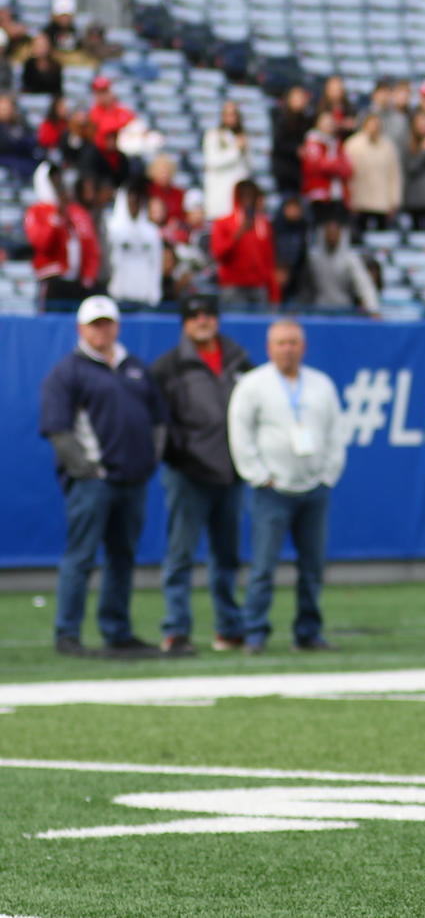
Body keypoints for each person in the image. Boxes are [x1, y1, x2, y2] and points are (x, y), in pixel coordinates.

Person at [40, 296, 166, 657]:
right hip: (94, 482)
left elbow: (158, 420)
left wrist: (147, 462)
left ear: (117, 325)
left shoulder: (135, 367)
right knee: (81, 556)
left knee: (122, 557)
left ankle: (117, 630)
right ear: (81, 329)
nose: (103, 330)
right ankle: (68, 633)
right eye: (95, 324)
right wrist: (87, 470)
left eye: (107, 322)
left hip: (133, 480)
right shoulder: (68, 372)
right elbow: (58, 430)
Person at [227, 320, 346, 652]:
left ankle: (308, 631)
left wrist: (328, 475)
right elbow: (240, 433)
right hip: (272, 489)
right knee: (263, 565)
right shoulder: (254, 385)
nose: (287, 349)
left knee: (312, 566)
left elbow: (337, 432)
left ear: (303, 347)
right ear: (269, 348)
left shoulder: (320, 385)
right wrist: (258, 475)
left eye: (293, 342)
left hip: (313, 487)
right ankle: (255, 631)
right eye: (281, 343)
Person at [151, 295, 254, 654]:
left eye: (208, 313)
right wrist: (178, 455)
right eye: (193, 314)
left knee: (226, 556)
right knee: (181, 555)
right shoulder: (169, 366)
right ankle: (176, 629)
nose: (202, 320)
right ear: (183, 322)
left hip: (231, 471)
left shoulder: (239, 359)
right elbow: (158, 421)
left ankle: (229, 627)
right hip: (189, 473)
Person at [27, 164, 102, 308]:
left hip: (77, 281)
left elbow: (90, 245)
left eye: (58, 179)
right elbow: (42, 243)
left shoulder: (77, 212)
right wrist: (56, 217)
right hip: (52, 279)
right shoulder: (36, 211)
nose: (56, 184)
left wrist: (89, 275)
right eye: (52, 179)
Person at [210, 179, 280, 308]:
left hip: (259, 287)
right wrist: (238, 233)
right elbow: (218, 253)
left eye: (252, 196)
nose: (248, 201)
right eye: (244, 196)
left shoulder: (263, 224)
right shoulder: (223, 223)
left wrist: (274, 294)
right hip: (233, 286)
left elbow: (269, 261)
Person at [299, 216, 381, 314]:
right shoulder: (313, 258)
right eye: (328, 232)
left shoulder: (350, 259)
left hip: (344, 310)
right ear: (323, 234)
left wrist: (372, 308)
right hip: (319, 310)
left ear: (341, 234)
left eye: (335, 233)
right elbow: (304, 288)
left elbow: (364, 285)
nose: (331, 236)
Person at [104, 177, 164, 308]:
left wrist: (155, 293)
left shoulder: (152, 231)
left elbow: (156, 263)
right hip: (118, 296)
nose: (134, 206)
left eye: (137, 202)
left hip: (145, 298)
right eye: (131, 202)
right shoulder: (111, 228)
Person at [342, 111, 402, 236]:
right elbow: (347, 175)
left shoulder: (388, 146)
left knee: (382, 238)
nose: (374, 127)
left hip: (382, 202)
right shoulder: (352, 145)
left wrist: (394, 200)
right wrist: (349, 199)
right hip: (359, 201)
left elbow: (394, 175)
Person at [300, 111, 354, 227]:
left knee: (339, 228)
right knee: (321, 228)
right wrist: (337, 165)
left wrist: (335, 165)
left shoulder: (336, 143)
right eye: (326, 123)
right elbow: (318, 166)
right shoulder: (313, 142)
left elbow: (348, 169)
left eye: (331, 123)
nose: (329, 125)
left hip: (337, 194)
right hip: (319, 194)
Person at [202, 99, 252, 221]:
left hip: (239, 194)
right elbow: (212, 161)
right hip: (220, 196)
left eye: (234, 114)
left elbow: (248, 166)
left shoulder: (243, 136)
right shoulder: (213, 135)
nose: (231, 118)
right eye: (228, 114)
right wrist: (236, 150)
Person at [269, 84, 312, 198]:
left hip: (301, 172)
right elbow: (279, 143)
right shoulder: (281, 119)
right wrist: (296, 149)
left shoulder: (306, 121)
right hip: (286, 172)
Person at [20, 31, 62, 96]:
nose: (40, 49)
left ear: (48, 46)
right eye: (37, 46)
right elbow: (27, 86)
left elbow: (57, 89)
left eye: (42, 46)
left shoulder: (56, 65)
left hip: (51, 99)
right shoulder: (29, 64)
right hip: (32, 97)